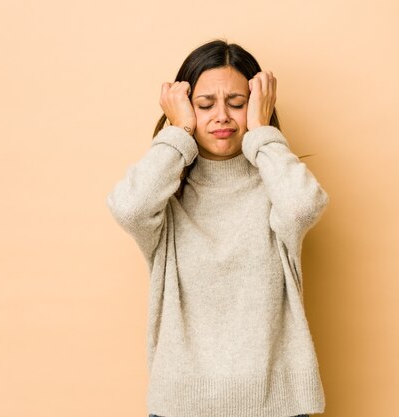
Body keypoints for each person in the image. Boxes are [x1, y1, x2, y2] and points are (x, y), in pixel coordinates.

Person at [106, 39, 328, 417]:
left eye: (238, 104)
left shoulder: (276, 185)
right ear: (184, 111)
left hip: (277, 406)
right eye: (205, 105)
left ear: (258, 105)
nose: (222, 116)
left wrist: (260, 131)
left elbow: (304, 205)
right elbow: (129, 206)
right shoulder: (166, 195)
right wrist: (179, 133)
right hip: (182, 406)